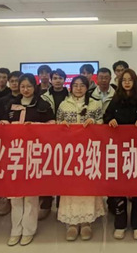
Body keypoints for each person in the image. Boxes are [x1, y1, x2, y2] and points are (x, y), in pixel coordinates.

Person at [0, 73, 54, 247]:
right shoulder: (9, 104)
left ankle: (28, 229)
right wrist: (3, 124)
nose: (25, 89)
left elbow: (53, 126)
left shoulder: (43, 104)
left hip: (34, 154)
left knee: (31, 194)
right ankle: (15, 229)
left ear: (34, 87)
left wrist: (36, 127)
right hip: (14, 153)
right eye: (22, 86)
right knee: (15, 194)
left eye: (29, 86)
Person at [103, 69, 137, 240]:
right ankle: (120, 223)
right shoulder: (116, 99)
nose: (127, 82)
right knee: (119, 188)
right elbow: (107, 116)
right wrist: (110, 120)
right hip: (119, 150)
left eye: (130, 79)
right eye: (124, 80)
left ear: (135, 81)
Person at [56, 76, 106, 241]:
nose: (78, 88)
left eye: (82, 85)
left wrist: (95, 122)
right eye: (75, 85)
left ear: (87, 87)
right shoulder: (63, 104)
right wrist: (61, 125)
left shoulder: (95, 104)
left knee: (88, 185)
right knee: (70, 186)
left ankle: (86, 222)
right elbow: (56, 124)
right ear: (71, 87)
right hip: (69, 152)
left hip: (89, 150)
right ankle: (71, 223)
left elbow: (102, 123)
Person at [39, 69, 69, 219]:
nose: (57, 80)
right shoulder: (43, 97)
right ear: (50, 80)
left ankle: (60, 206)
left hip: (67, 137)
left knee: (64, 172)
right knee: (48, 170)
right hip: (48, 138)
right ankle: (45, 205)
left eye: (60, 78)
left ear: (64, 80)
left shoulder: (71, 95)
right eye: (55, 78)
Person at [0, 70, 22, 217]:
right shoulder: (3, 101)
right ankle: (7, 200)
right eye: (12, 81)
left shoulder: (30, 99)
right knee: (8, 171)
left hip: (25, 141)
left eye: (18, 81)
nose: (15, 84)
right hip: (7, 141)